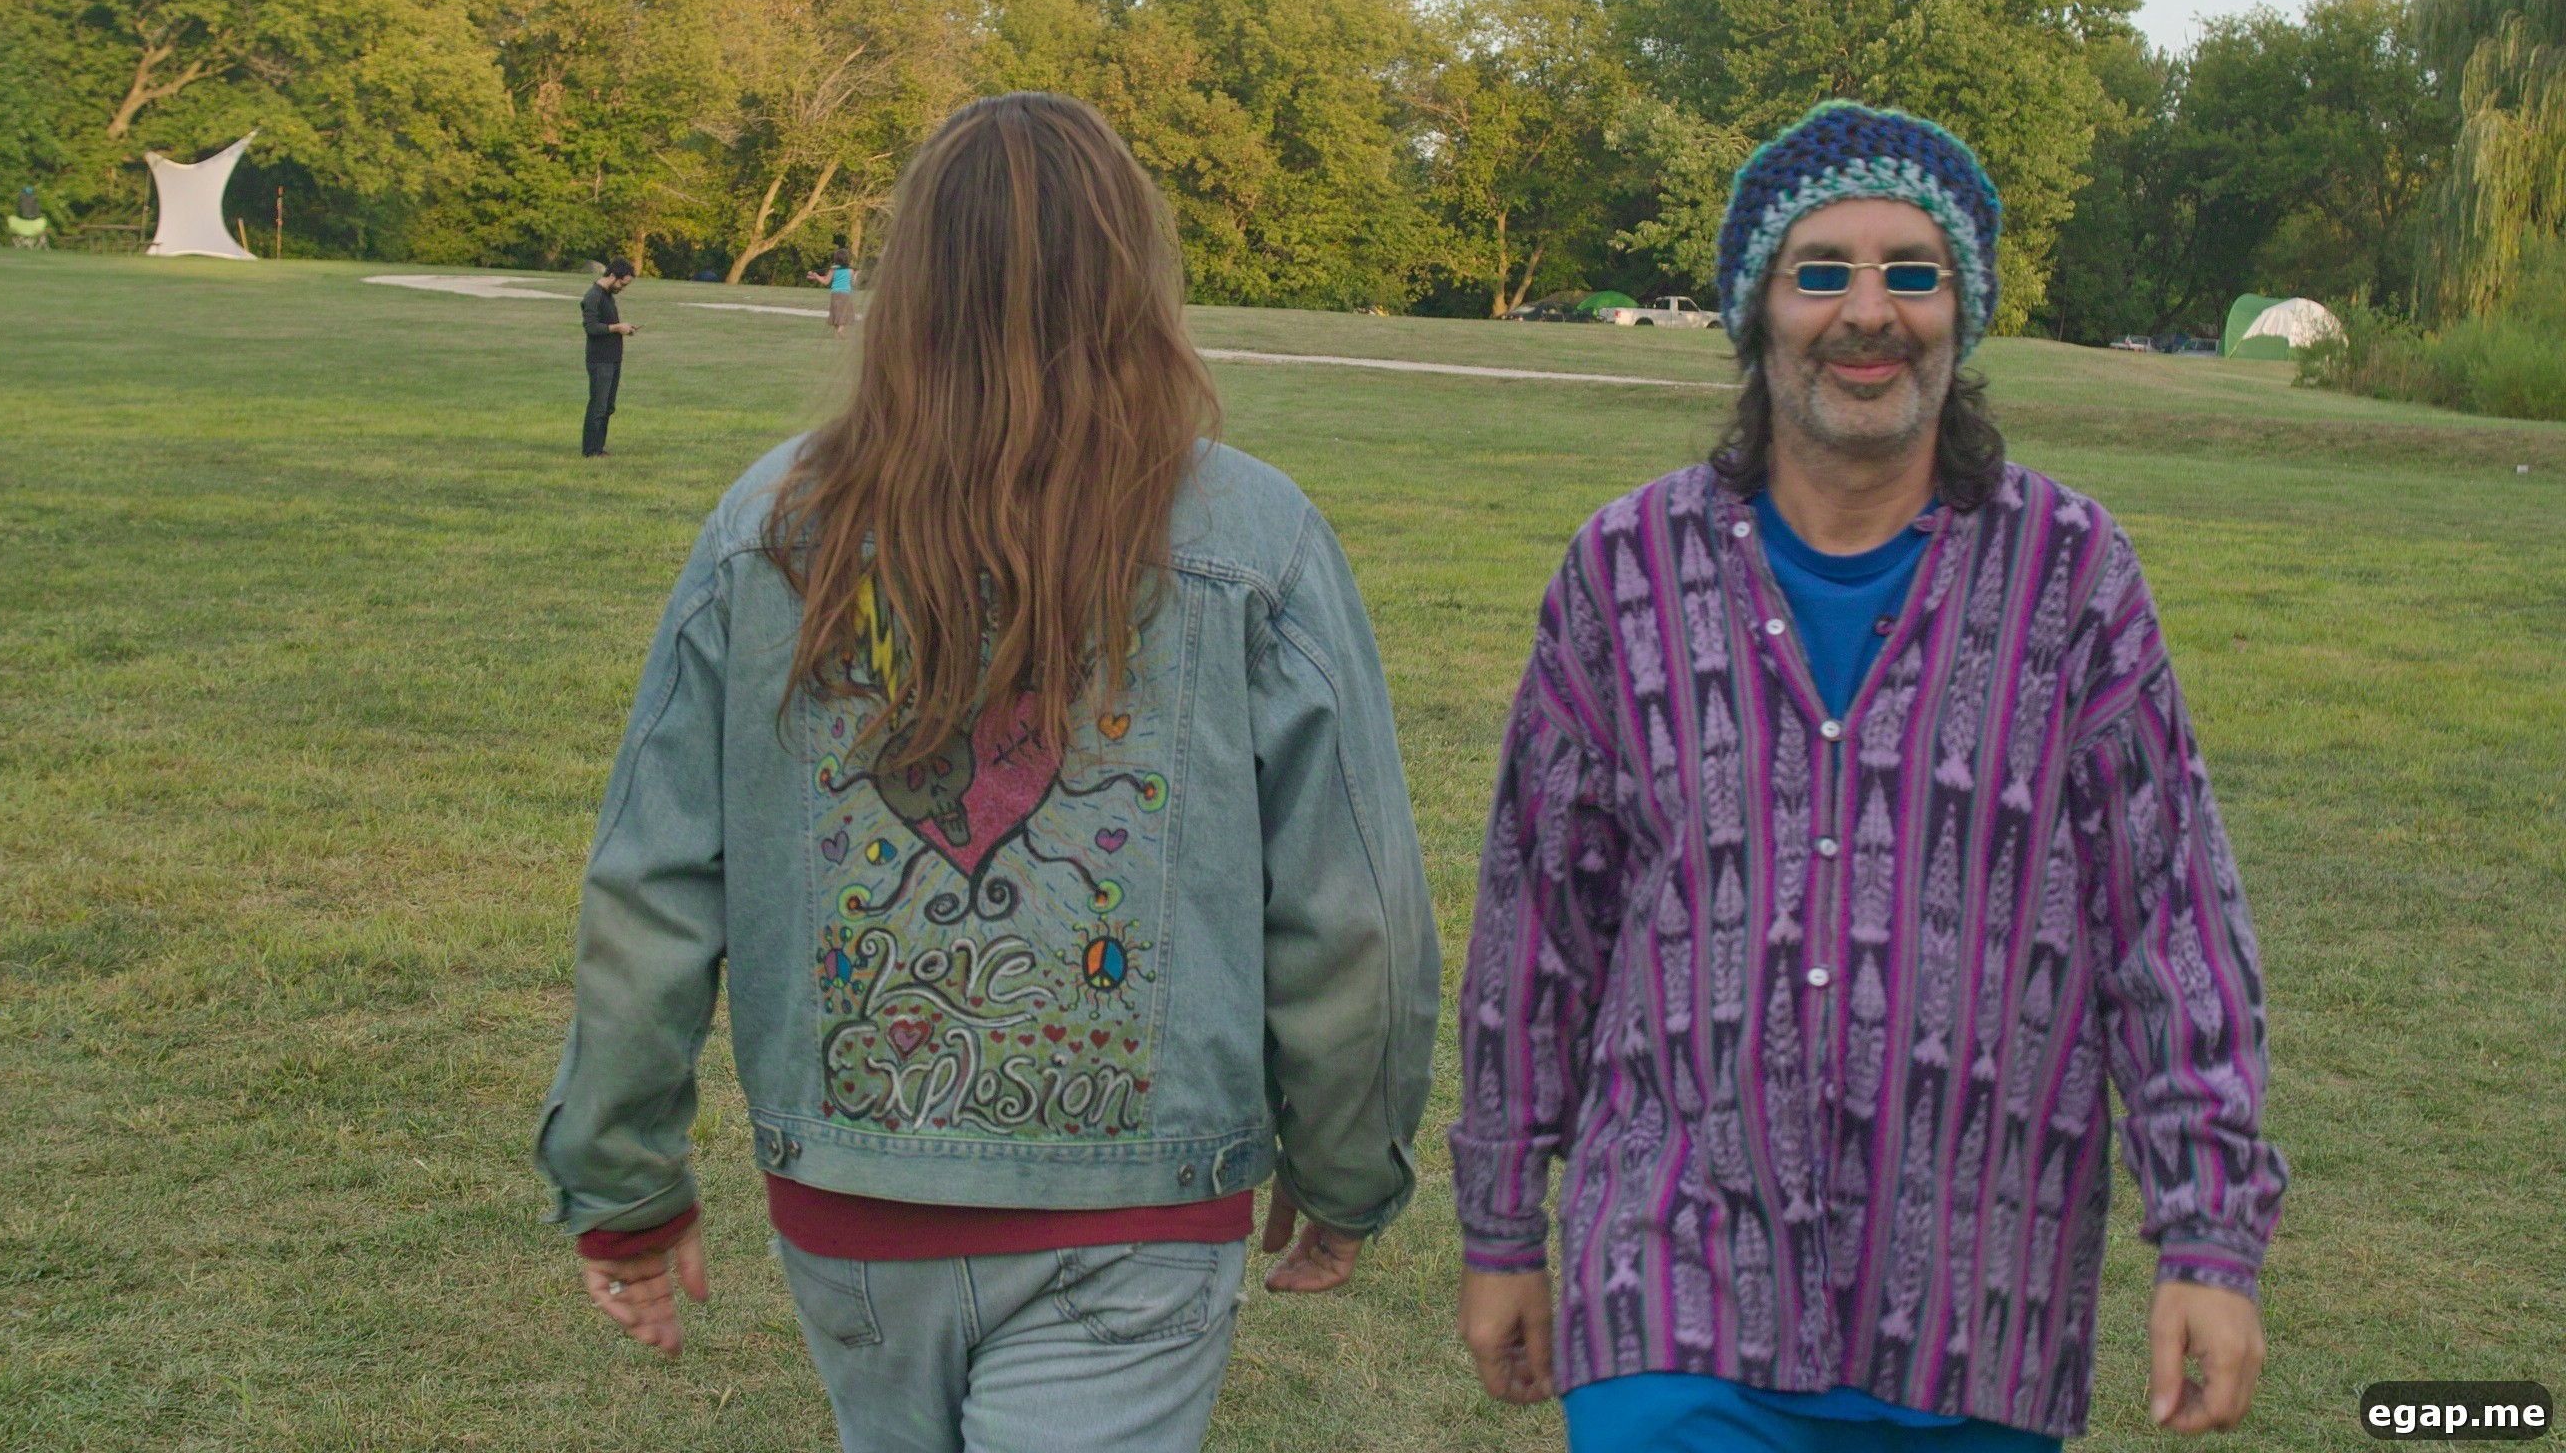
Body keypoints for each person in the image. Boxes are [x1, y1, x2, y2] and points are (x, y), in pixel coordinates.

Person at [536, 92, 1439, 1452]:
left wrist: (621, 1178)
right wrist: (1347, 1158)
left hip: (860, 1206)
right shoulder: (1251, 534)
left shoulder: (768, 527)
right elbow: (1356, 907)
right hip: (1134, 1215)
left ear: (908, 281)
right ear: (1135, 278)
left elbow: (650, 883)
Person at [1450, 102, 2287, 1451]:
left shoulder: (2074, 578)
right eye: (1821, 270)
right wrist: (1502, 1220)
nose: (1868, 310)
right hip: (1671, 1285)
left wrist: (2210, 1237)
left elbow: (2170, 916)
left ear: (1963, 309)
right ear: (1757, 309)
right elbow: (1536, 918)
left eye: (1913, 270)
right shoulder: (1625, 571)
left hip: (1979, 1310)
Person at [581, 258, 635, 457]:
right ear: (612, 276)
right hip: (600, 360)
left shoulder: (608, 296)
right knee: (598, 406)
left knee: (608, 407)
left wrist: (624, 329)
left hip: (613, 359)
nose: (622, 288)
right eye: (622, 283)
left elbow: (607, 325)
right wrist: (617, 327)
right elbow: (591, 327)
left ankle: (599, 448)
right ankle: (590, 450)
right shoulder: (593, 296)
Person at [827, 242, 857, 335]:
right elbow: (853, 283)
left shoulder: (834, 269)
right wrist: (856, 274)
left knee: (836, 311)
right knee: (845, 311)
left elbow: (828, 280)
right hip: (845, 294)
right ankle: (840, 329)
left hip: (834, 293)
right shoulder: (850, 270)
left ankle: (837, 332)